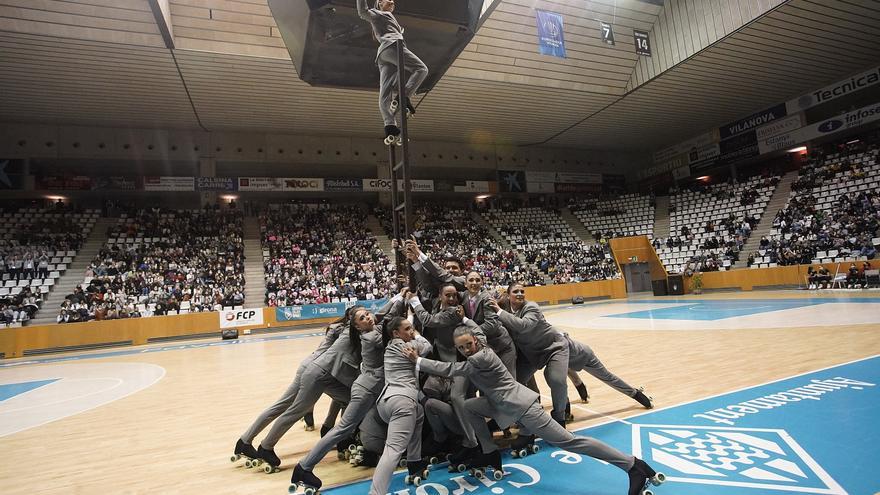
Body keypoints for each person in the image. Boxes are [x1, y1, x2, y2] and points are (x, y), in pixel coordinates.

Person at [403, 326, 664, 495]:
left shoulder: (480, 357)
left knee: (571, 442)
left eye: (468, 344)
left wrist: (419, 360)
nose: (466, 349)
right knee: (470, 406)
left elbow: (452, 370)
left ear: (475, 342)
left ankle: (633, 466)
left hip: (523, 406)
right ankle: (489, 453)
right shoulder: (477, 350)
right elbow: (470, 345)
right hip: (500, 404)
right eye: (461, 347)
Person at [289, 290, 407, 488]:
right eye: (362, 318)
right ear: (357, 326)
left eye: (367, 314)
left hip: (368, 388)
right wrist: (407, 306)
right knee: (343, 429)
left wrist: (400, 297)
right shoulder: (370, 337)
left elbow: (383, 316)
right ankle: (304, 467)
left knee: (346, 428)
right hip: (366, 390)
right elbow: (390, 326)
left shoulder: (374, 328)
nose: (368, 317)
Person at [356, 0, 428, 142]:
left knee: (385, 93)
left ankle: (390, 126)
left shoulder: (384, 17)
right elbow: (363, 12)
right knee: (421, 69)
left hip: (383, 55)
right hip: (393, 46)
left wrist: (399, 30)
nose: (392, 1)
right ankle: (404, 96)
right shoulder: (378, 13)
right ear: (380, 3)